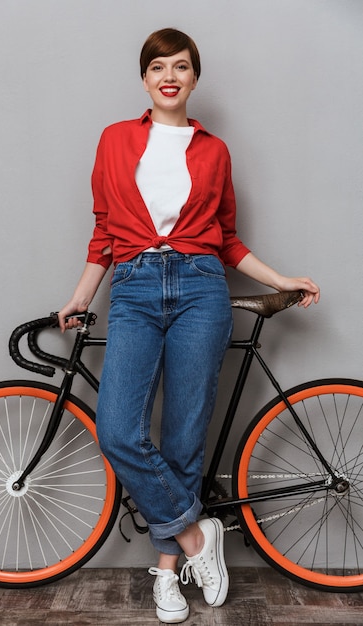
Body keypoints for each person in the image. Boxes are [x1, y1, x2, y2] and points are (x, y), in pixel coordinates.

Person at [58, 28, 320, 624]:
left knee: (183, 438)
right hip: (135, 288)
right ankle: (200, 537)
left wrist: (281, 279)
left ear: (194, 78)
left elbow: (226, 239)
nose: (168, 75)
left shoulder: (215, 151)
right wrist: (78, 298)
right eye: (157, 66)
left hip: (203, 289)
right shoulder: (116, 140)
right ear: (145, 78)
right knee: (120, 429)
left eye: (180, 66)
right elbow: (104, 233)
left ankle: (169, 575)